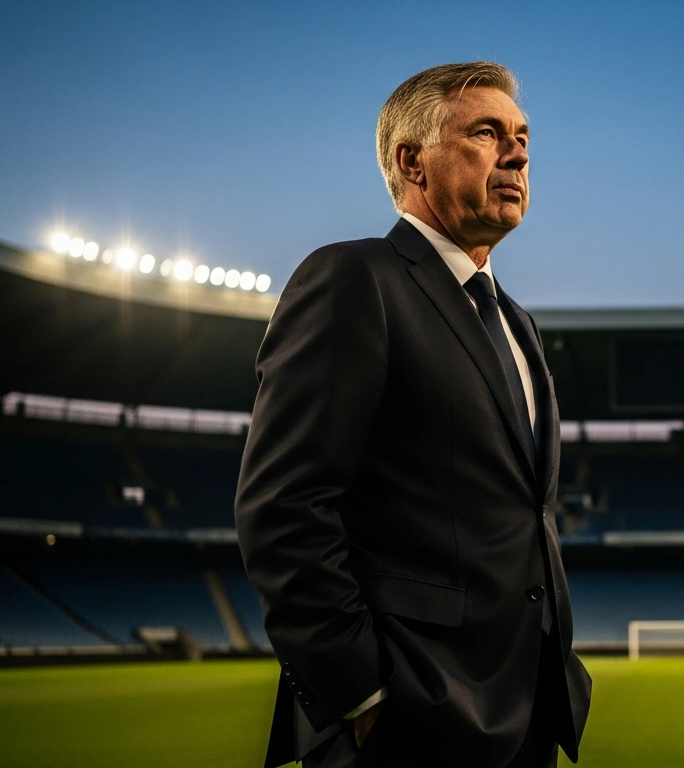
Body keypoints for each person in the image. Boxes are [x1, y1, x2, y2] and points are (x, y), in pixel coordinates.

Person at [235, 61, 591, 768]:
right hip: (408, 718)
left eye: (521, 136)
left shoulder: (518, 323)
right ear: (411, 162)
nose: (517, 152)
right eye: (487, 133)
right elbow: (284, 505)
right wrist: (361, 695)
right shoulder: (354, 279)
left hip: (525, 713)